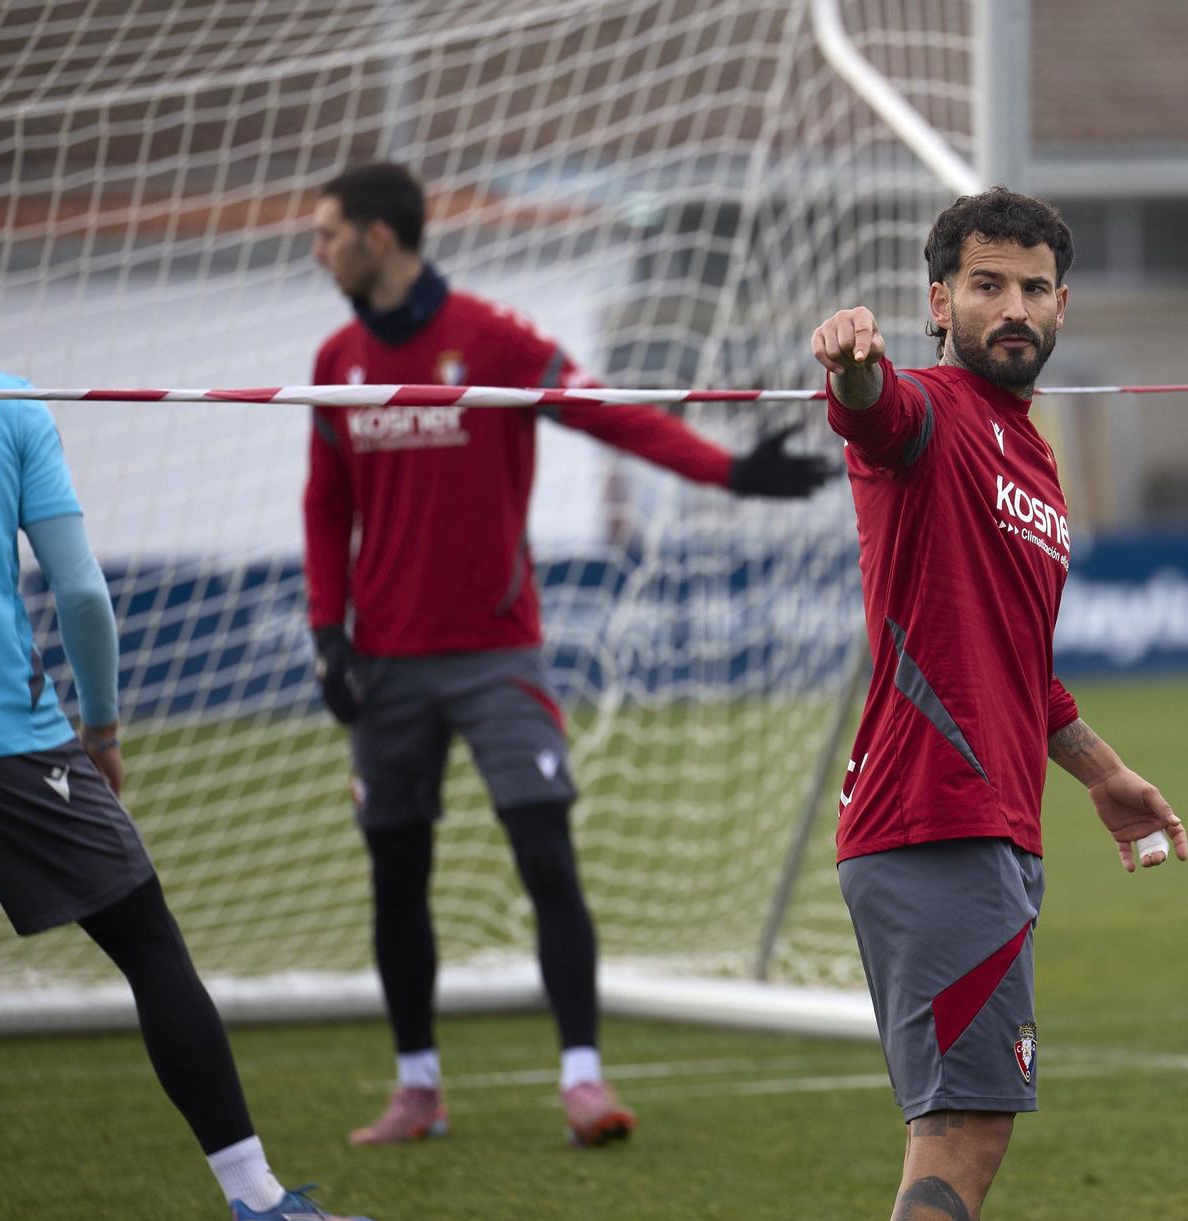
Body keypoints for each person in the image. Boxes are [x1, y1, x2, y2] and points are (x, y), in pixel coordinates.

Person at [0, 194, 380, 1221]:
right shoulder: (8, 403)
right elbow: (79, 592)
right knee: (148, 943)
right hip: (12, 744)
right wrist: (105, 730)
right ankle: (256, 1199)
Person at [303, 162, 831, 1148]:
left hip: (497, 654)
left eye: (328, 231)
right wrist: (327, 631)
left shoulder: (493, 338)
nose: (316, 248)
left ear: (378, 236)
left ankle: (583, 1078)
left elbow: (608, 411)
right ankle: (417, 1087)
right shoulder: (334, 360)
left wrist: (727, 472)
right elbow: (325, 506)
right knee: (396, 872)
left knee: (545, 851)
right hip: (386, 662)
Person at [810, 187, 1188, 1221]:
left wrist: (1102, 773)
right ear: (939, 302)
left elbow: (1024, 665)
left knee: (966, 1126)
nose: (1013, 306)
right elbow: (872, 414)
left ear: (1063, 304)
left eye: (1033, 287)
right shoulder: (928, 408)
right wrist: (853, 366)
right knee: (961, 1129)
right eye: (987, 284)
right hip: (933, 820)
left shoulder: (1031, 453)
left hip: (985, 826)